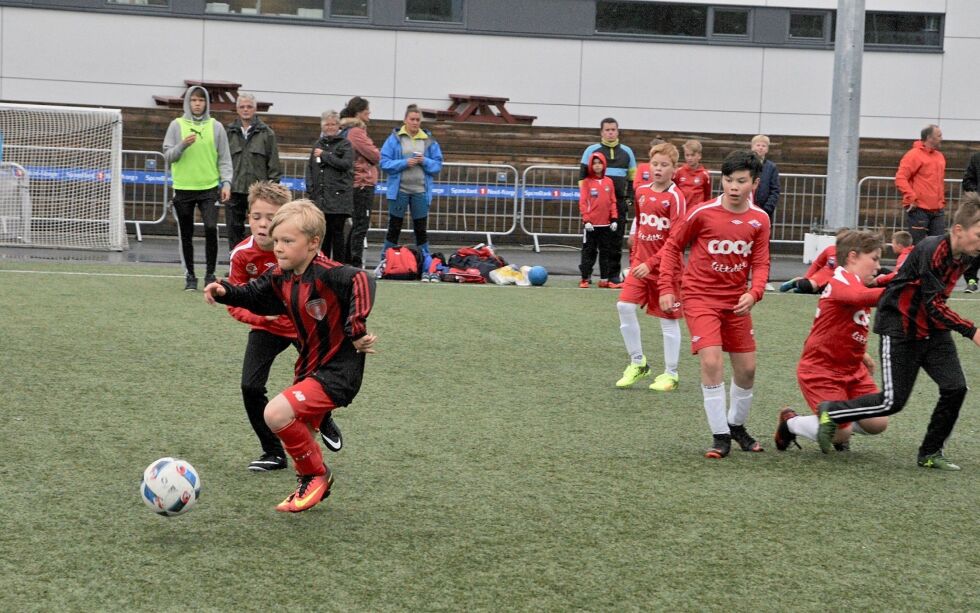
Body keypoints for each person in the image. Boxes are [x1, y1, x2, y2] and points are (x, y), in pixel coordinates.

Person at [204, 199, 377, 512]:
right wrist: (225, 291)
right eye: (276, 240)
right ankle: (310, 476)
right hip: (310, 369)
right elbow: (253, 294)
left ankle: (315, 475)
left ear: (313, 243)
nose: (278, 248)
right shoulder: (282, 277)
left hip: (338, 371)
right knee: (297, 429)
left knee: (275, 413)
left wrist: (356, 327)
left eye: (287, 241)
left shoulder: (328, 273)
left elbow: (362, 280)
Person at [816, 193, 980, 470]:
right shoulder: (932, 249)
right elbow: (933, 303)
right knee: (892, 402)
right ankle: (832, 412)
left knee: (955, 387)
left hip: (933, 329)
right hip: (901, 327)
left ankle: (930, 453)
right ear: (958, 230)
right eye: (979, 233)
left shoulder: (968, 253)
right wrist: (972, 331)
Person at [658, 150, 771, 458]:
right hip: (700, 297)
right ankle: (720, 435)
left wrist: (754, 292)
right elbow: (672, 247)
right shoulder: (702, 213)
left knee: (747, 370)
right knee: (711, 362)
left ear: (754, 184)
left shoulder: (760, 219)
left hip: (736, 302)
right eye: (728, 180)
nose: (733, 187)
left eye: (741, 181)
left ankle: (735, 425)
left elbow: (760, 263)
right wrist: (667, 286)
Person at [225, 181, 344, 472]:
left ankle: (322, 415)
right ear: (248, 218)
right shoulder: (242, 255)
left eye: (271, 218)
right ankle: (272, 452)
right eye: (256, 217)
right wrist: (260, 318)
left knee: (315, 381)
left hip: (304, 327)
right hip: (267, 328)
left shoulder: (304, 250)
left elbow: (328, 288)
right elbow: (234, 301)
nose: (263, 224)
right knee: (250, 386)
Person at [774, 230, 889, 452]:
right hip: (822, 370)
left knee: (877, 422)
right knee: (840, 433)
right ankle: (790, 423)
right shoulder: (840, 279)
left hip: (852, 369)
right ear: (853, 257)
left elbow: (842, 325)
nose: (877, 267)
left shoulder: (857, 283)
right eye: (874, 259)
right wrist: (902, 292)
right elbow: (859, 298)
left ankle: (838, 419)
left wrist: (861, 354)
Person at [615, 142, 686, 391]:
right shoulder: (642, 191)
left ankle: (671, 374)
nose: (658, 169)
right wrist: (636, 254)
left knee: (667, 320)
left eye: (664, 165)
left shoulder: (676, 197)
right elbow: (640, 222)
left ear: (673, 170)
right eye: (655, 164)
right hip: (640, 266)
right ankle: (638, 363)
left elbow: (676, 240)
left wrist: (651, 262)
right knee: (624, 305)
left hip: (666, 270)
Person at [162, 85, 232, 290]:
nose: (197, 104)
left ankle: (210, 274)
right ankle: (190, 276)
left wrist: (226, 182)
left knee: (211, 228)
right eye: (194, 100)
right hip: (183, 188)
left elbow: (225, 159)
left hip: (209, 188)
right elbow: (168, 156)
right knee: (186, 233)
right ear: (188, 103)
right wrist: (182, 145)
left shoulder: (216, 126)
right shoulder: (176, 125)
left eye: (201, 100)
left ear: (206, 103)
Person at [377, 104, 444, 276]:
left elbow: (437, 165)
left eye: (417, 120)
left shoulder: (428, 140)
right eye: (412, 119)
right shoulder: (394, 138)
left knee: (420, 228)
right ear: (405, 120)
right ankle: (385, 260)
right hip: (399, 191)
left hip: (420, 191)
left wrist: (425, 161)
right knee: (394, 227)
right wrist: (404, 163)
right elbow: (384, 163)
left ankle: (426, 262)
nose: (415, 122)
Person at [580, 118, 637, 283]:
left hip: (617, 204)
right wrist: (585, 204)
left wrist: (629, 199)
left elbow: (633, 177)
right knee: (590, 244)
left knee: (615, 241)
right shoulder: (591, 150)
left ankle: (612, 276)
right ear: (601, 132)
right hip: (595, 206)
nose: (610, 132)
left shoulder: (627, 151)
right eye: (607, 130)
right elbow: (582, 177)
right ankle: (586, 276)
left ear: (618, 131)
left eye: (613, 129)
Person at [225, 92, 282, 252]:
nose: (245, 110)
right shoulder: (228, 133)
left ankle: (258, 263)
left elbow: (274, 165)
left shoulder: (267, 133)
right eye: (242, 107)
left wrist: (271, 191)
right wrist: (223, 184)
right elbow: (221, 161)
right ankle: (234, 263)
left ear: (255, 109)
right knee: (233, 229)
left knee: (259, 230)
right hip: (234, 189)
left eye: (249, 107)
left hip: (258, 193)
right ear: (237, 109)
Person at [306, 110, 353, 261]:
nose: (330, 127)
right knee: (322, 235)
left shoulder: (345, 144)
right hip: (320, 199)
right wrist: (311, 190)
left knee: (338, 234)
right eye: (327, 124)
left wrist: (325, 155)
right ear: (322, 126)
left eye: (333, 124)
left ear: (338, 125)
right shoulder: (317, 145)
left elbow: (345, 164)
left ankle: (339, 266)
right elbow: (310, 168)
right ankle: (322, 264)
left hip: (338, 199)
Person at [339, 97, 380, 269]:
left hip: (355, 183)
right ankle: (354, 263)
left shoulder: (346, 130)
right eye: (366, 111)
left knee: (356, 225)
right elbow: (375, 155)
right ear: (358, 113)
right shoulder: (356, 132)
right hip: (361, 183)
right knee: (360, 226)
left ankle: (349, 261)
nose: (369, 114)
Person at [895, 124, 946, 245]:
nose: (942, 138)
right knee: (918, 246)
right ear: (929, 137)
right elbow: (901, 177)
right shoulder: (913, 155)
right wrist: (911, 197)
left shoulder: (939, 156)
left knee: (938, 246)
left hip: (937, 209)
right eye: (939, 135)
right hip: (919, 209)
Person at [578, 151, 619, 288]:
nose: (597, 166)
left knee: (605, 253)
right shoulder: (587, 183)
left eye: (599, 163)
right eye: (594, 163)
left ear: (604, 164)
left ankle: (604, 279)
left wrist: (614, 218)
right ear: (590, 165)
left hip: (605, 225)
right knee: (589, 252)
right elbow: (583, 202)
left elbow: (613, 201)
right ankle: (585, 278)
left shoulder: (609, 182)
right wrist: (587, 220)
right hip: (591, 226)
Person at [778, 227, 850, 294]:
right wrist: (807, 277)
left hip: (838, 281)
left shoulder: (854, 254)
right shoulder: (830, 249)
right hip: (823, 277)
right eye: (840, 240)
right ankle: (795, 282)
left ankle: (806, 289)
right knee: (806, 285)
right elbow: (817, 264)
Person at [960, 150, 980, 291]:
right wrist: (977, 194)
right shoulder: (976, 158)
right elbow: (967, 181)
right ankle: (971, 280)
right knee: (976, 243)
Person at [673, 140, 712, 210]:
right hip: (682, 210)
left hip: (697, 211)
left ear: (699, 156)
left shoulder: (704, 174)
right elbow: (674, 191)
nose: (689, 158)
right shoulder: (679, 172)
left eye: (692, 155)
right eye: (687, 155)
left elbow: (707, 195)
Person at [751, 135, 780, 224]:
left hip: (764, 209)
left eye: (764, 146)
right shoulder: (745, 163)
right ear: (752, 147)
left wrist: (767, 208)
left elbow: (775, 190)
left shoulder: (771, 167)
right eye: (758, 145)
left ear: (767, 149)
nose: (760, 148)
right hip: (746, 207)